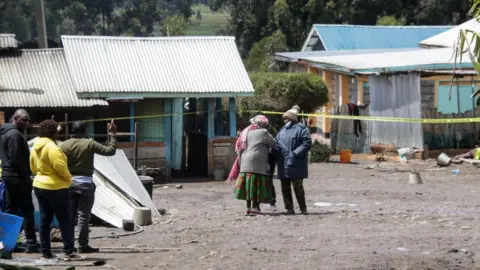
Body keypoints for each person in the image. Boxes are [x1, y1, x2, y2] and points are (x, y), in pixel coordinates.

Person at [60, 120, 117, 253]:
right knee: (83, 217)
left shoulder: (64, 145)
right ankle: (82, 245)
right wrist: (112, 134)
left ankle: (68, 245)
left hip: (69, 184)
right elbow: (110, 151)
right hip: (85, 184)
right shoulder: (89, 143)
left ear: (72, 131)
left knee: (69, 217)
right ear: (85, 131)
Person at [30, 119, 79, 259]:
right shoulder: (53, 148)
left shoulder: (35, 146)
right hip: (56, 187)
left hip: (39, 185)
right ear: (53, 133)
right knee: (65, 219)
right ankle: (69, 250)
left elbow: (33, 167)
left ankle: (45, 251)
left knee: (45, 219)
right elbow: (60, 168)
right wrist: (69, 179)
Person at [0, 109, 39, 255]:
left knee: (11, 210)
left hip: (9, 176)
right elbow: (16, 160)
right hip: (17, 177)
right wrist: (26, 177)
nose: (27, 124)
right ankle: (31, 243)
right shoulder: (15, 135)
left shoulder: (5, 133)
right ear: (15, 119)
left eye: (28, 121)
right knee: (27, 210)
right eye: (25, 120)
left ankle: (8, 242)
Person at [233, 115, 276, 216]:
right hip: (257, 162)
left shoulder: (246, 132)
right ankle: (255, 207)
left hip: (245, 161)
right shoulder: (263, 132)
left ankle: (248, 208)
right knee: (257, 185)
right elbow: (273, 143)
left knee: (248, 185)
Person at [275, 105, 312, 215]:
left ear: (291, 118)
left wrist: (295, 154)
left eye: (286, 118)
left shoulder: (302, 129)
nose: (284, 120)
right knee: (285, 188)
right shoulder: (281, 131)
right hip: (283, 164)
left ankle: (303, 208)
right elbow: (277, 144)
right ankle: (289, 208)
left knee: (298, 187)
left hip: (296, 163)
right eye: (284, 118)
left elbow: (307, 143)